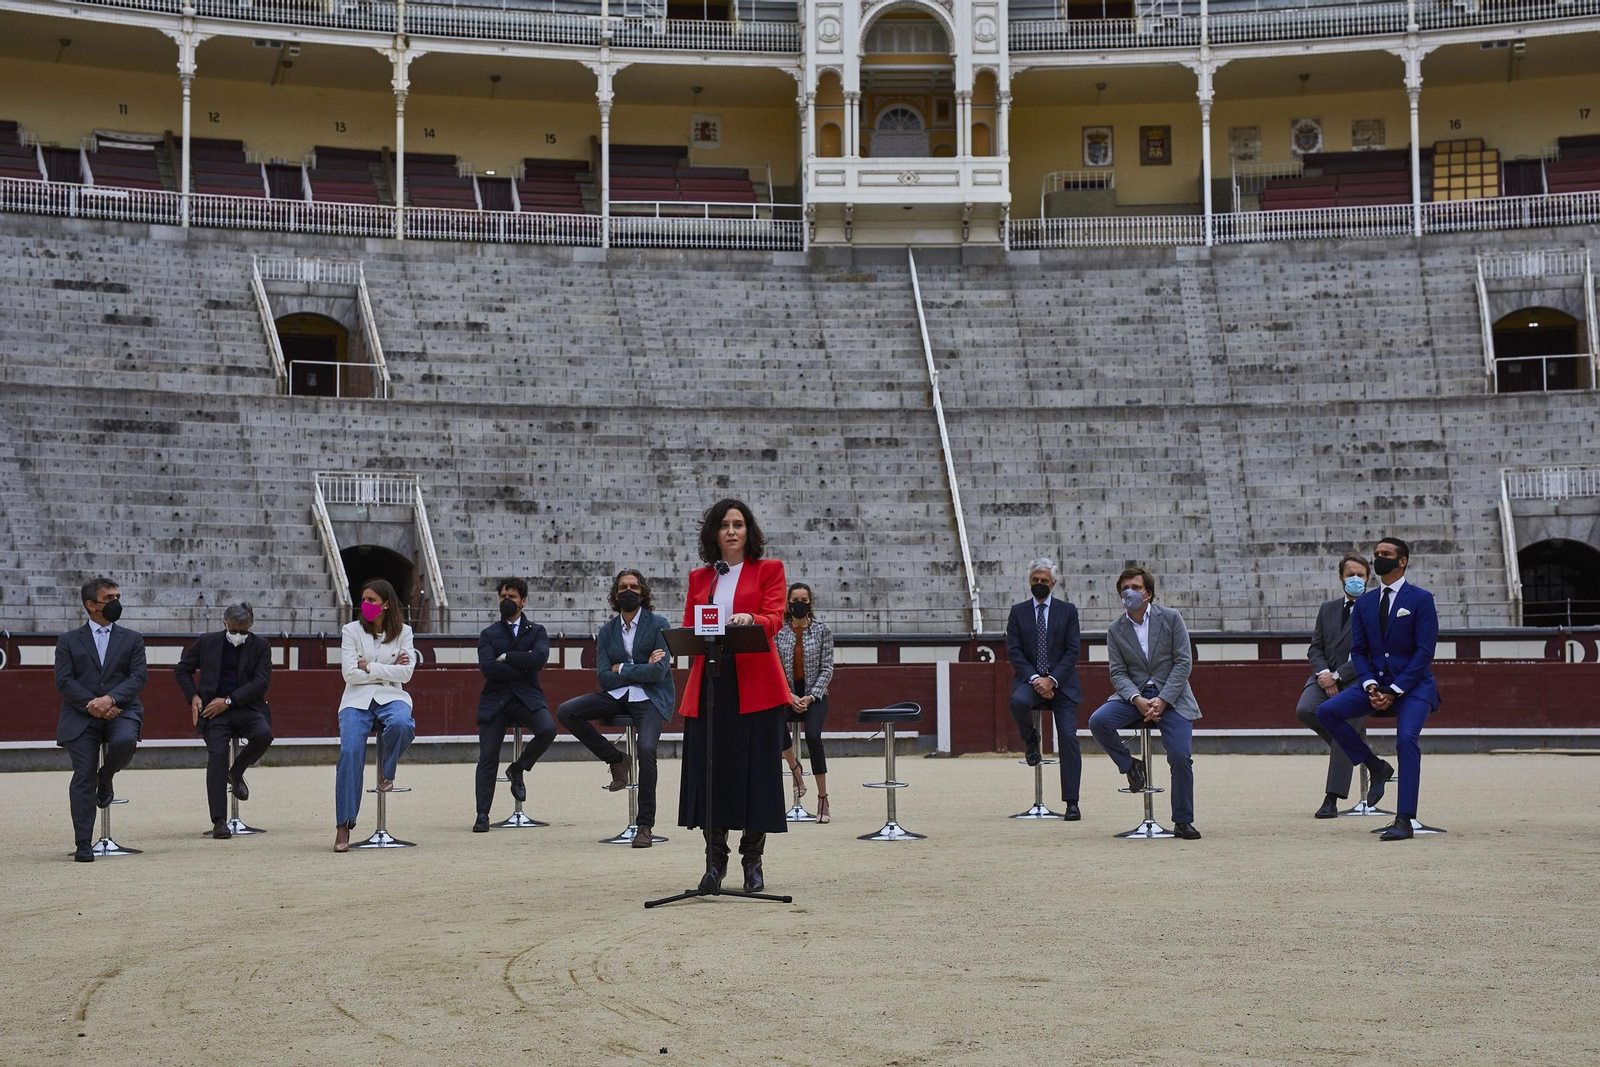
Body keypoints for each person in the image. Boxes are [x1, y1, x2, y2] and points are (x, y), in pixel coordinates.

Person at [678, 497, 790, 892]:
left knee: (757, 775)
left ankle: (752, 860)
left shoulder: (769, 570)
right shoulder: (700, 578)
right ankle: (715, 860)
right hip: (711, 684)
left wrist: (750, 619)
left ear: (748, 531)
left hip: (755, 685)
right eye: (724, 524)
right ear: (714, 533)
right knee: (711, 773)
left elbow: (776, 618)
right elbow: (690, 627)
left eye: (738, 524)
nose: (731, 530)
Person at [1316, 537, 1441, 841]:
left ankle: (1404, 818)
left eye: (1386, 554)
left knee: (1406, 740)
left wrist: (1394, 689)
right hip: (1375, 683)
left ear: (1402, 561)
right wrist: (1372, 685)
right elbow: (1359, 651)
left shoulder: (1421, 599)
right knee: (1327, 712)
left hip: (1413, 686)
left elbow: (1424, 652)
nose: (1378, 558)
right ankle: (1376, 766)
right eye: (1376, 554)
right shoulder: (1366, 603)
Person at [556, 569, 675, 846]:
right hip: (617, 694)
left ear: (643, 592)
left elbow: (658, 673)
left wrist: (622, 667)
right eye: (623, 587)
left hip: (651, 697)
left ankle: (645, 825)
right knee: (566, 711)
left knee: (647, 749)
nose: (628, 591)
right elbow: (603, 677)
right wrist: (641, 666)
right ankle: (616, 758)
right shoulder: (607, 630)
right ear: (615, 594)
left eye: (634, 586)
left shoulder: (660, 623)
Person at [1088, 567, 1203, 840]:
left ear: (1148, 593)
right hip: (1134, 696)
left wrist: (1163, 699)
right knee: (1098, 721)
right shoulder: (1116, 629)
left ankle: (1183, 821)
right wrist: (1138, 699)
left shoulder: (1172, 618)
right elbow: (1117, 672)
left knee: (1180, 756)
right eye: (1124, 588)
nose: (1129, 592)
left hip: (1172, 697)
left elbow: (1183, 662)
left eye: (1136, 587)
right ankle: (1130, 766)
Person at [55, 577, 147, 862]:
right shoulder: (68, 640)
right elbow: (64, 681)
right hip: (81, 715)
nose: (116, 602)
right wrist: (93, 704)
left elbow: (138, 677)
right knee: (83, 775)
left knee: (125, 742)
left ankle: (105, 778)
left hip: (121, 711)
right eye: (109, 598)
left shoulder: (132, 638)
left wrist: (111, 700)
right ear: (91, 605)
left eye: (118, 596)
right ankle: (84, 843)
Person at [174, 601, 275, 839]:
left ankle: (236, 771)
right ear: (225, 623)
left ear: (251, 626)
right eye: (234, 629)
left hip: (246, 706)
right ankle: (219, 820)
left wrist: (228, 701)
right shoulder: (207, 641)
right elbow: (182, 670)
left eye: (243, 631)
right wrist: (193, 696)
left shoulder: (261, 645)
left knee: (264, 735)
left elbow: (261, 683)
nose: (238, 635)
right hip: (212, 710)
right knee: (217, 755)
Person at [334, 579, 417, 852]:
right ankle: (344, 826)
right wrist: (386, 667)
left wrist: (367, 665)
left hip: (392, 696)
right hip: (356, 699)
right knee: (350, 752)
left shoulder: (404, 632)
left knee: (404, 724)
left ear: (386, 604)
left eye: (371, 600)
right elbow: (349, 673)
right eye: (364, 599)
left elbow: (406, 674)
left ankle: (387, 770)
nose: (365, 605)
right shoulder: (351, 630)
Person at [472, 577, 555, 833]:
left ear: (523, 601)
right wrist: (524, 665)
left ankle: (517, 768)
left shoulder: (537, 630)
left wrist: (507, 658)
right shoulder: (488, 634)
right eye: (503, 597)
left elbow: (540, 658)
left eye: (512, 596)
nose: (507, 601)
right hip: (495, 699)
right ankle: (482, 814)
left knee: (548, 730)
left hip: (526, 697)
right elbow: (487, 668)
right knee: (488, 756)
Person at [1004, 558, 1084, 819]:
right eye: (1035, 580)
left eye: (1044, 581)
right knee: (1017, 703)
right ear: (1029, 581)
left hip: (1061, 684)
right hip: (1030, 680)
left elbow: (1072, 651)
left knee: (1069, 739)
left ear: (1054, 583)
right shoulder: (1018, 611)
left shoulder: (1068, 610)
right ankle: (1031, 740)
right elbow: (1014, 652)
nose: (1039, 584)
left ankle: (1071, 802)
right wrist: (1036, 679)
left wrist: (1052, 680)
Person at [1294, 555, 1372, 818]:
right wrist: (1325, 673)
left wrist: (1338, 676)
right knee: (1305, 709)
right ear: (1341, 577)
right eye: (1351, 574)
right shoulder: (1328, 608)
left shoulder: (1374, 609)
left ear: (1368, 578)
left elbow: (1371, 652)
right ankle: (1354, 748)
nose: (1356, 579)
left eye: (1360, 575)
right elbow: (1315, 647)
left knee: (1343, 730)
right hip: (1324, 676)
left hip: (1360, 679)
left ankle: (1331, 799)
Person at [775, 582, 835, 823]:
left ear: (811, 603)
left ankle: (823, 797)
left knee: (813, 736)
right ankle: (795, 770)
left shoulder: (823, 631)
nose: (800, 603)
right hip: (786, 695)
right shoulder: (780, 632)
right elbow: (776, 668)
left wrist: (810, 696)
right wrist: (789, 695)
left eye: (804, 599)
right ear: (788, 603)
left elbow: (827, 667)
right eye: (795, 599)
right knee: (772, 721)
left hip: (815, 696)